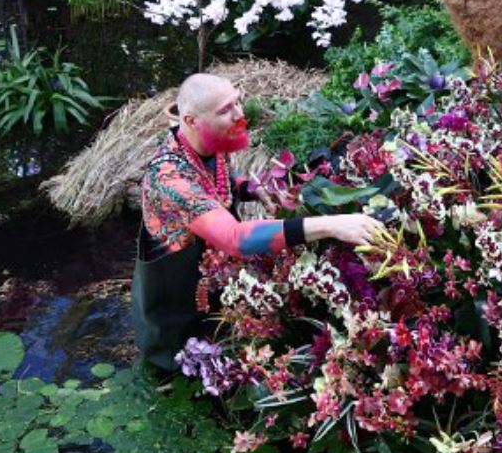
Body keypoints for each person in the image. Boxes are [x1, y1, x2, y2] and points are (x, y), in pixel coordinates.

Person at [132, 73, 386, 372]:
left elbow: (217, 177)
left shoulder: (207, 141)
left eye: (238, 102)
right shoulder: (168, 178)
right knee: (177, 377)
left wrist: (247, 187)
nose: (240, 115)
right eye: (225, 110)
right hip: (173, 313)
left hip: (213, 290)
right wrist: (331, 224)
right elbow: (236, 239)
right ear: (190, 120)